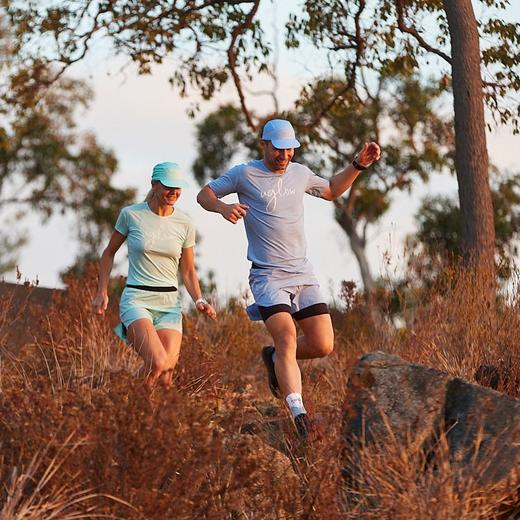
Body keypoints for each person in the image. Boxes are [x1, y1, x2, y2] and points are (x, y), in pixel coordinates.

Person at [197, 119, 380, 438]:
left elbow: (332, 191)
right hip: (268, 276)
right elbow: (204, 194)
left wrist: (356, 165)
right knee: (287, 338)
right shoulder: (245, 174)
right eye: (278, 149)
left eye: (290, 149)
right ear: (263, 145)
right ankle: (300, 414)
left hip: (302, 271)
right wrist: (222, 208)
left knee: (323, 344)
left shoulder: (300, 172)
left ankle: (273, 359)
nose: (284, 155)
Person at [92, 162, 216, 387]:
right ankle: (122, 408)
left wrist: (199, 299)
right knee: (158, 362)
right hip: (137, 300)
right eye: (168, 186)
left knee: (165, 377)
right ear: (154, 185)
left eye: (178, 187)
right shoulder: (131, 215)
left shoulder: (185, 223)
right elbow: (108, 253)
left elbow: (187, 271)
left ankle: (131, 410)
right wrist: (102, 291)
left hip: (169, 304)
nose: (174, 192)